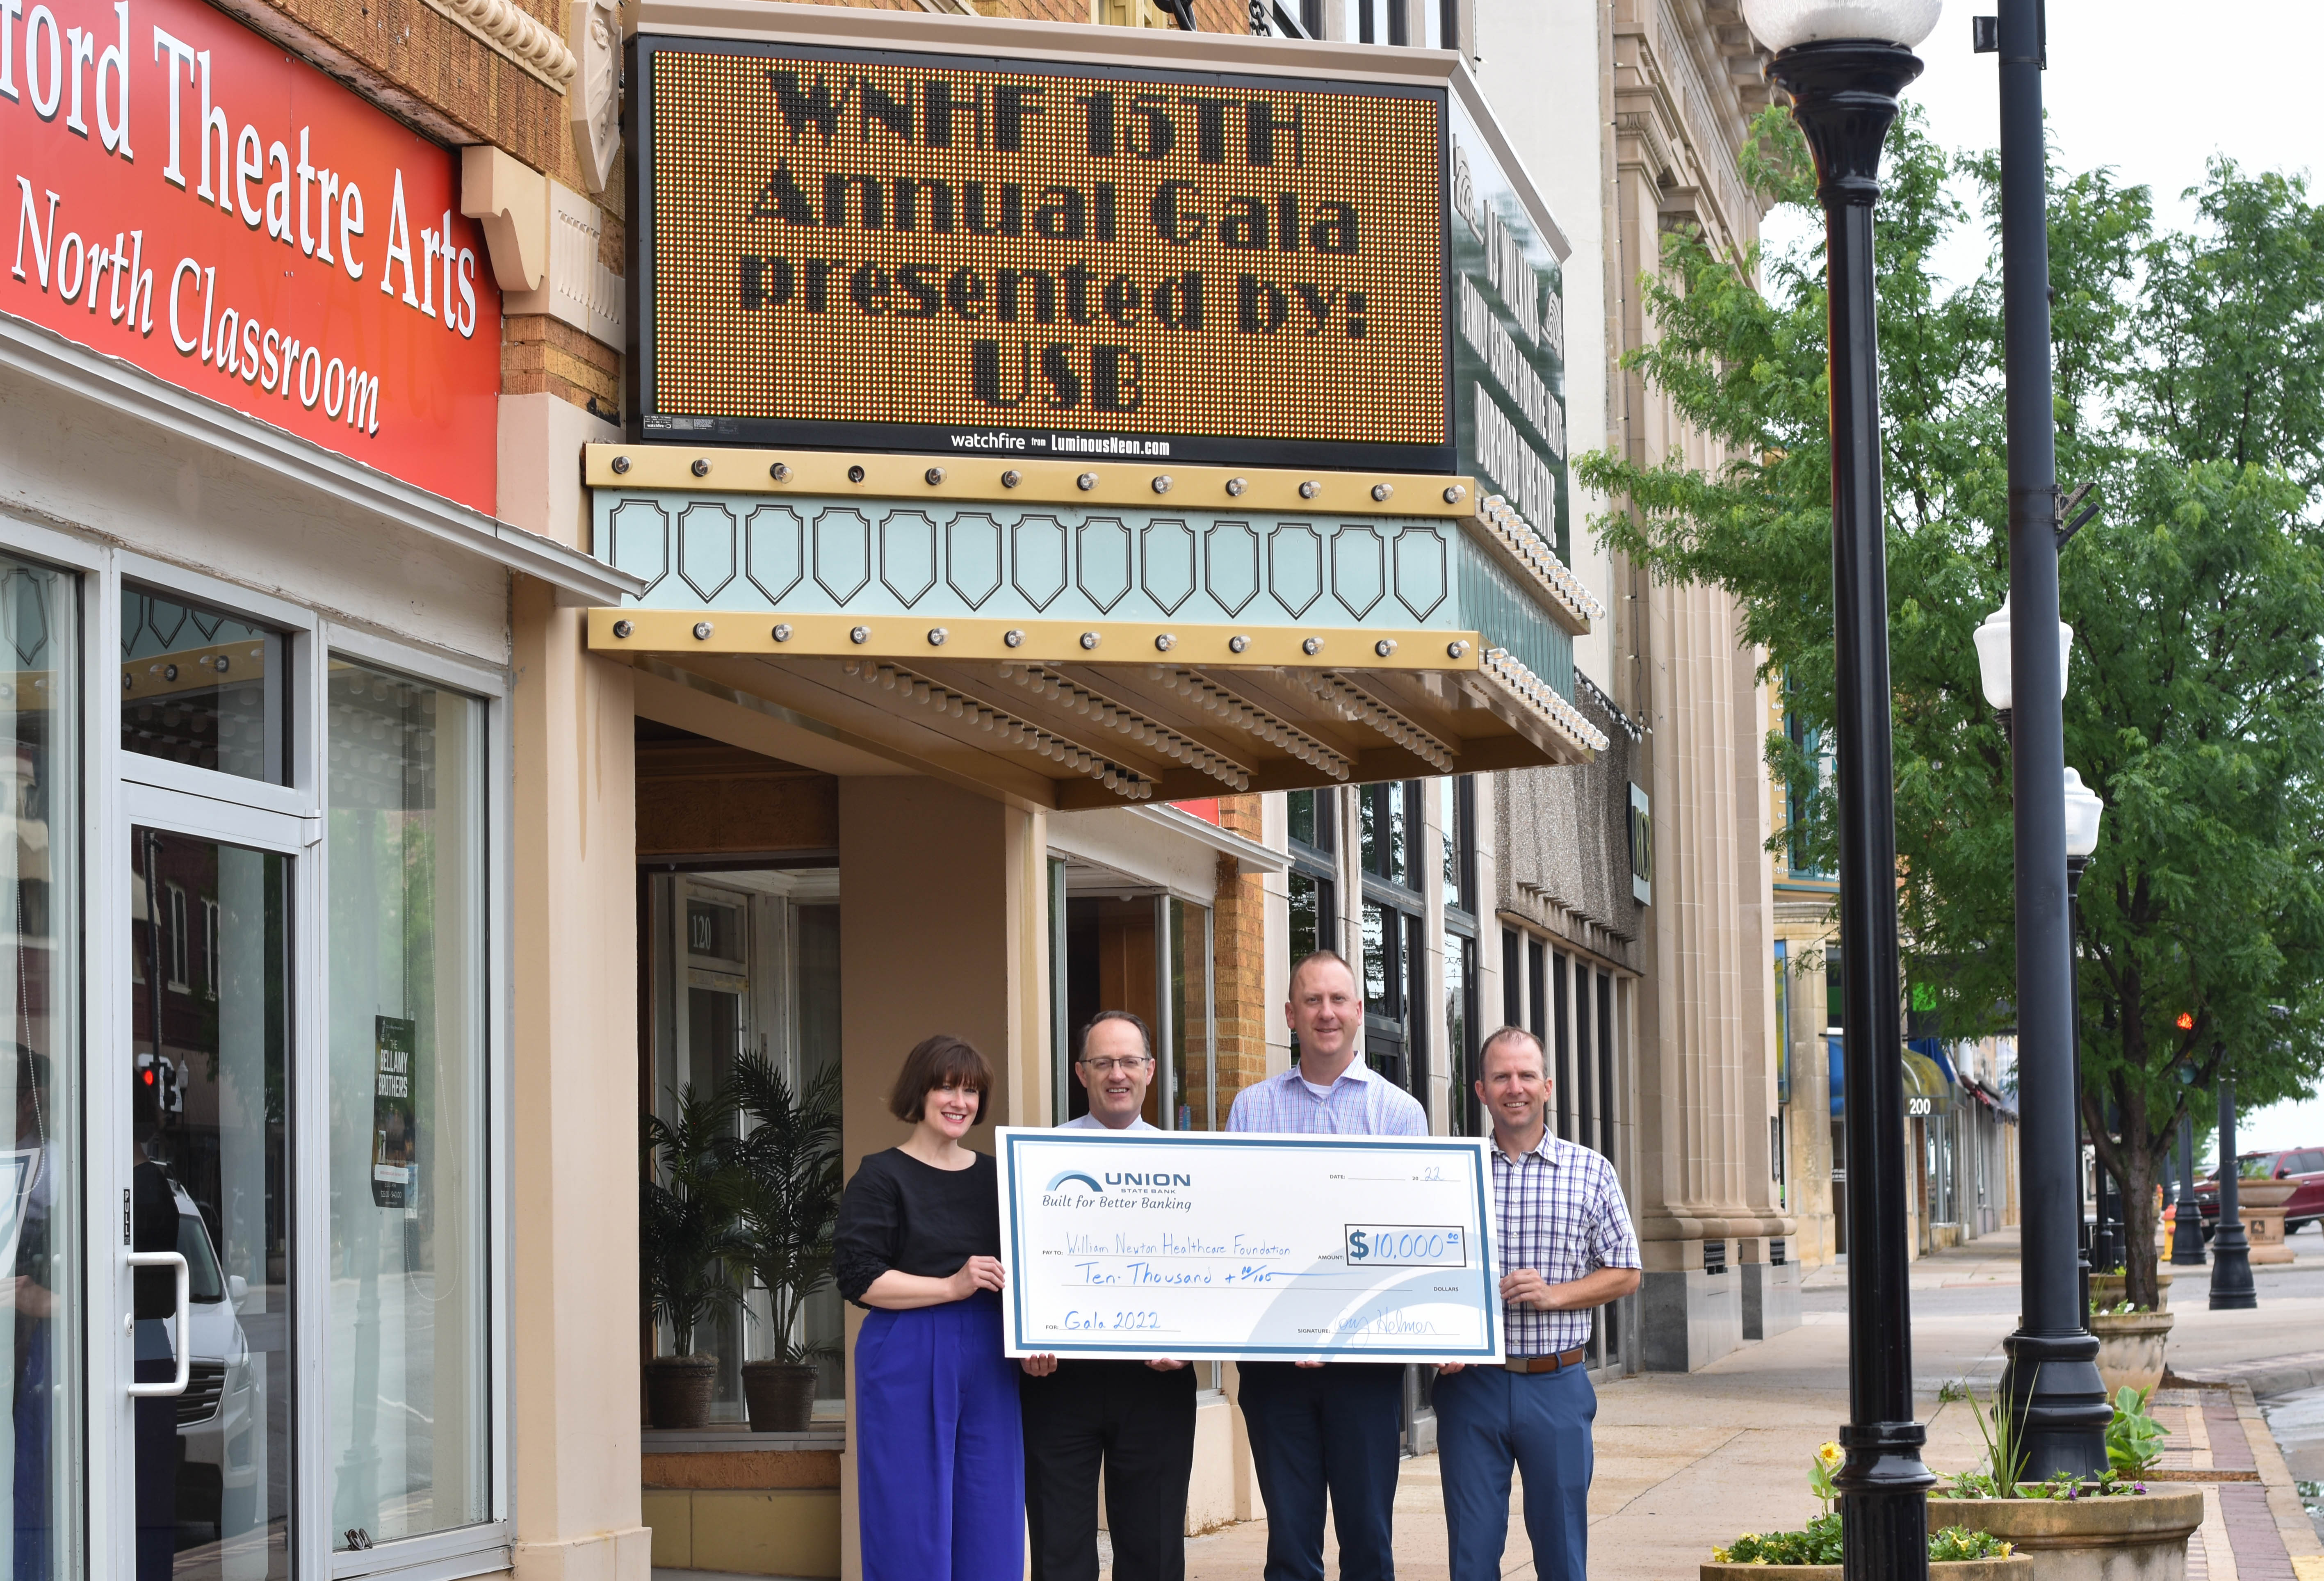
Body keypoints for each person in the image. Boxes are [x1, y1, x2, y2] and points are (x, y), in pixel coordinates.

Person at [1226, 950, 1424, 1581]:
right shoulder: (1250, 1111)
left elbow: (1406, 1240)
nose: (1326, 1013)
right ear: (1290, 1014)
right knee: (1289, 1542)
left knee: (1367, 1538)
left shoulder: (1400, 1115)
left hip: (1363, 1366)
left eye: (1339, 1000)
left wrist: (1332, 1328)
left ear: (1359, 1013)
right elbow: (1236, 1234)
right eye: (1312, 1001)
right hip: (1274, 1368)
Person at [1434, 1026, 1641, 1581]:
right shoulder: (1452, 1171)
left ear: (1547, 1086)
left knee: (1563, 1552)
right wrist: (1437, 1337)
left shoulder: (1591, 1172)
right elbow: (1422, 1270)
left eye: (1526, 1075)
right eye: (1501, 1076)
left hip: (1557, 1386)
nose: (1515, 1087)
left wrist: (1555, 1296)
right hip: (1471, 1388)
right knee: (1472, 1557)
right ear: (1481, 1090)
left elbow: (1627, 1272)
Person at [833, 1034, 1023, 1581]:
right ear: (920, 1092)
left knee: (992, 1507)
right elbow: (858, 1277)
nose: (959, 1101)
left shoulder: (998, 1176)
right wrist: (950, 1286)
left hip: (991, 1351)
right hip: (906, 1347)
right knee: (908, 1509)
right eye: (946, 1087)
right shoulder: (881, 1175)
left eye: (971, 1090)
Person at [1020, 1011, 1197, 1581]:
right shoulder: (1040, 1162)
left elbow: (1213, 1272)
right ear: (1081, 1073)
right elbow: (1022, 1263)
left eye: (1128, 1062)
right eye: (1103, 1063)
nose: (1116, 1074)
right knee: (1060, 1551)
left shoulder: (1191, 1168)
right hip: (1058, 1379)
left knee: (1154, 1551)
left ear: (1150, 1071)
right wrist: (1027, 1335)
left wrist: (1193, 1341)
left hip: (1156, 1380)